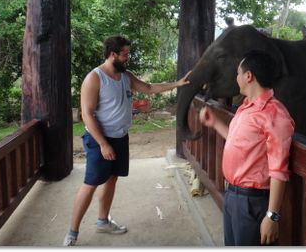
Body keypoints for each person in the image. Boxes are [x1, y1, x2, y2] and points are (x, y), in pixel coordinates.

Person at [63, 35, 191, 246]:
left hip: (121, 137)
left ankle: (103, 220)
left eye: (128, 54)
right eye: (124, 54)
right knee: (91, 183)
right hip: (99, 140)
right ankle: (72, 232)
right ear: (112, 54)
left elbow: (149, 88)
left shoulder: (125, 76)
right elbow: (86, 114)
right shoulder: (94, 78)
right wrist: (103, 144)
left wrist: (178, 84)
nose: (127, 58)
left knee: (113, 178)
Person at [199, 49, 294, 246]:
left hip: (252, 202)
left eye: (238, 73)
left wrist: (272, 216)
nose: (237, 77)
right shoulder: (245, 107)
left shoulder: (274, 114)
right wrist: (215, 123)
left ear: (248, 76)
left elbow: (278, 171)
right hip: (233, 196)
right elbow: (238, 142)